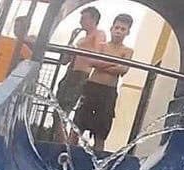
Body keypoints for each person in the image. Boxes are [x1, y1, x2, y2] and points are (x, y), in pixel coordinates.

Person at [73, 14, 134, 153]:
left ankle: (98, 160)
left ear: (127, 32)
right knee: (78, 125)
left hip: (109, 91)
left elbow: (123, 69)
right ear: (111, 28)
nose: (118, 31)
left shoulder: (127, 51)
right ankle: (68, 152)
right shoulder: (102, 46)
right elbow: (92, 62)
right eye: (117, 28)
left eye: (123, 29)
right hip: (92, 87)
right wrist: (114, 62)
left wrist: (103, 63)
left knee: (101, 131)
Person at [54, 6, 106, 136]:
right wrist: (70, 47)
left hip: (81, 74)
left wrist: (80, 50)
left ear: (93, 19)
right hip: (70, 73)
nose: (81, 22)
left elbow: (98, 52)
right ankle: (59, 138)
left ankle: (64, 141)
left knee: (66, 108)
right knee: (58, 110)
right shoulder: (80, 39)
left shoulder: (98, 34)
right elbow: (65, 61)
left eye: (84, 18)